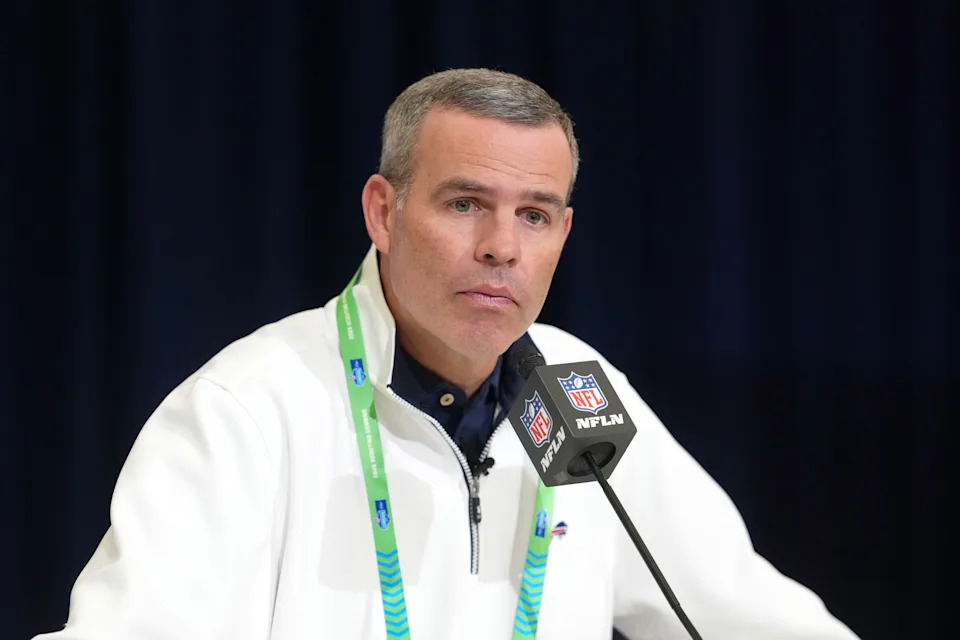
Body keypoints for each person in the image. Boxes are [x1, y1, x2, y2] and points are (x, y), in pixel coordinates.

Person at [34, 68, 859, 640]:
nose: (502, 246)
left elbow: (741, 611)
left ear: (563, 236)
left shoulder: (579, 391)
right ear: (382, 212)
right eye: (467, 203)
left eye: (535, 215)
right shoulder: (250, 407)